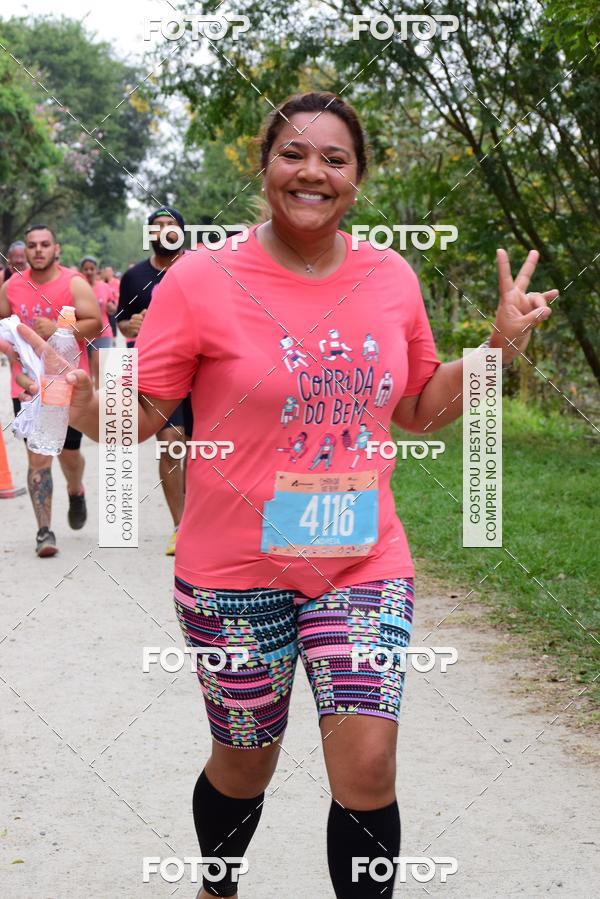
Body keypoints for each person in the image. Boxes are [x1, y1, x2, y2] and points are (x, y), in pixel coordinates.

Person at [10, 93, 557, 897]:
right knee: (244, 760)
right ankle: (219, 880)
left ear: (357, 180)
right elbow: (144, 415)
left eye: (335, 158)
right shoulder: (201, 278)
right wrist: (81, 399)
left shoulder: (391, 277)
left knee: (368, 764)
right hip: (234, 575)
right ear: (266, 167)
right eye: (293, 153)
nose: (313, 171)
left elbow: (418, 410)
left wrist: (498, 347)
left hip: (362, 564)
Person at [0, 224, 101, 556]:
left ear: (56, 248)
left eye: (45, 244)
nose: (38, 250)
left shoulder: (73, 282)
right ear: (25, 250)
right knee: (38, 457)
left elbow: (96, 323)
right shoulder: (13, 286)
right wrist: (11, 351)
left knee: (69, 455)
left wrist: (62, 327)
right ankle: (44, 531)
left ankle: (76, 490)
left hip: (68, 385)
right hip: (29, 389)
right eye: (32, 245)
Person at [116, 206, 192, 556]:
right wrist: (132, 327)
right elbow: (124, 323)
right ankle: (181, 526)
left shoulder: (200, 269)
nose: (163, 231)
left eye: (170, 225)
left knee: (202, 448)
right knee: (172, 439)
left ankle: (201, 515)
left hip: (204, 371)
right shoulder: (133, 277)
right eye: (157, 226)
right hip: (161, 373)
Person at [80, 256, 117, 389]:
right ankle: (90, 401)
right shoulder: (78, 288)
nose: (89, 272)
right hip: (83, 335)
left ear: (97, 271)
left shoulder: (104, 287)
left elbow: (113, 307)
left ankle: (99, 400)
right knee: (87, 372)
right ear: (81, 271)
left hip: (103, 333)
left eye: (92, 269)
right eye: (86, 269)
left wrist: (112, 308)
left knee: (99, 367)